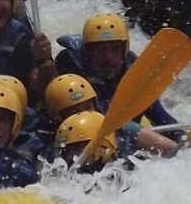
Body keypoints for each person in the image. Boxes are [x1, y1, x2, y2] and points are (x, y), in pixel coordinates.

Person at [55, 13, 183, 141]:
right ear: (88, 52)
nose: (108, 57)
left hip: (124, 131)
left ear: (124, 51)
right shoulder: (71, 66)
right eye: (100, 51)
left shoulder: (134, 70)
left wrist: (181, 136)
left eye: (115, 49)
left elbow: (159, 114)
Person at [44, 73, 179, 159]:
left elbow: (171, 149)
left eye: (88, 107)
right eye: (73, 112)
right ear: (57, 118)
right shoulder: (56, 149)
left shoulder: (120, 129)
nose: (84, 115)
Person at [55, 110, 178, 172]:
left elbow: (172, 149)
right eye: (70, 149)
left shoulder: (124, 130)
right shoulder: (68, 175)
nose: (73, 156)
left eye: (79, 147)